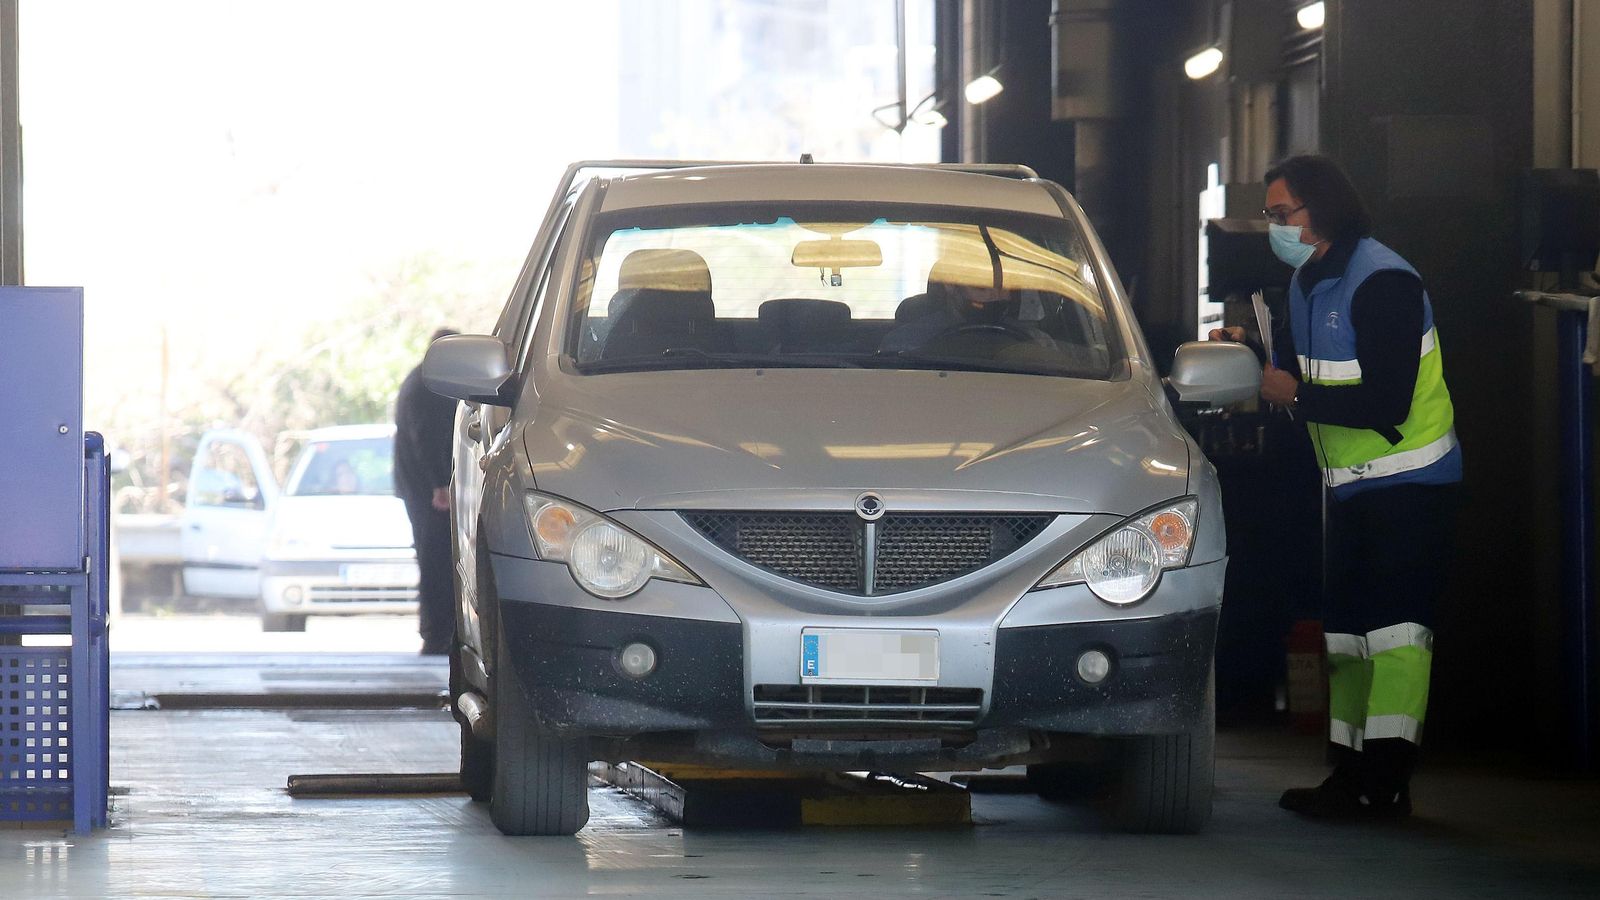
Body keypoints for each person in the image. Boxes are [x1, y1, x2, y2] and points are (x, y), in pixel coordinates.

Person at [1211, 154, 1461, 818]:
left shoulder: (1383, 280)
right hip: (1348, 487)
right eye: (1270, 214)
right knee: (1348, 637)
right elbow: (1300, 372)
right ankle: (1349, 775)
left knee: (1397, 637)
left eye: (1281, 213)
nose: (1274, 226)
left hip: (1409, 483)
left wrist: (1294, 394)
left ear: (1320, 207)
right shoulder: (1307, 281)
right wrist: (1252, 352)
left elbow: (1386, 402)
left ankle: (1387, 779)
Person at [394, 328, 460, 656]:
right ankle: (436, 635)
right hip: (430, 491)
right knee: (436, 559)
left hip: (422, 487)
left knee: (434, 557)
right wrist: (440, 484)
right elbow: (427, 437)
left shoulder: (421, 379)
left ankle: (439, 632)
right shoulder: (428, 385)